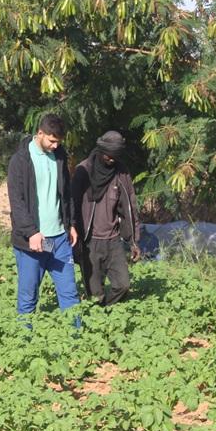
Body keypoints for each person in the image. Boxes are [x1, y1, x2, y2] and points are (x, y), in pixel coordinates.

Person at [7, 113, 80, 316]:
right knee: (28, 298)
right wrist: (31, 232)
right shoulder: (20, 161)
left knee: (70, 296)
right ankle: (25, 335)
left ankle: (77, 335)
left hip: (60, 240)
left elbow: (66, 194)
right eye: (52, 141)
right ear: (40, 133)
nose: (55, 146)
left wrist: (71, 224)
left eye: (59, 142)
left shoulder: (59, 156)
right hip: (34, 241)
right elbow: (17, 201)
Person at [72, 130, 141, 306]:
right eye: (108, 155)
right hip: (89, 242)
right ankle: (99, 315)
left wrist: (133, 241)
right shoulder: (83, 171)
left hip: (113, 241)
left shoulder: (121, 174)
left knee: (123, 285)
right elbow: (71, 205)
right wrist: (74, 238)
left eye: (115, 156)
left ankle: (106, 311)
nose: (111, 159)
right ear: (101, 150)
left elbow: (129, 208)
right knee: (94, 294)